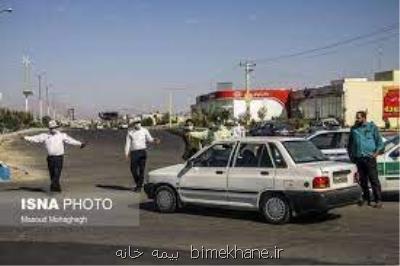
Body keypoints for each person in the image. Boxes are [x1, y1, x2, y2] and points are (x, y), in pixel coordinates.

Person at [23, 120, 86, 192]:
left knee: (57, 173)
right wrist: (25, 137)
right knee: (52, 173)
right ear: (49, 129)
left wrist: (80, 144)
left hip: (59, 157)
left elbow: (70, 140)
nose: (53, 129)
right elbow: (35, 138)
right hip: (50, 158)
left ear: (57, 128)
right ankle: (56, 188)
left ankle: (54, 185)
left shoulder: (62, 135)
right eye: (51, 128)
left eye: (54, 128)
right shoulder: (45, 136)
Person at [347, 111, 384, 208]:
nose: (357, 119)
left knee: (373, 180)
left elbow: (380, 143)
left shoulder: (372, 127)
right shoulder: (354, 129)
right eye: (356, 118)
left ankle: (378, 200)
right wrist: (351, 156)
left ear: (364, 118)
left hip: (369, 158)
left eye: (358, 118)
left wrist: (376, 153)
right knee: (362, 180)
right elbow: (350, 145)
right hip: (359, 158)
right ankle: (366, 198)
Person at [125, 117, 160, 192]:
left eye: (139, 122)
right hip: (134, 153)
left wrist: (154, 140)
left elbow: (149, 139)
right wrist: (126, 153)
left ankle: (139, 186)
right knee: (133, 169)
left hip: (142, 152)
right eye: (136, 123)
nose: (138, 124)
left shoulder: (144, 130)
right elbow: (127, 144)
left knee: (142, 170)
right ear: (133, 124)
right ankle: (139, 183)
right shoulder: (130, 132)